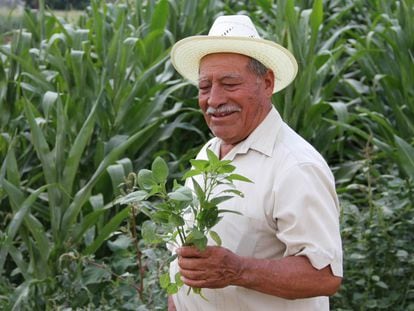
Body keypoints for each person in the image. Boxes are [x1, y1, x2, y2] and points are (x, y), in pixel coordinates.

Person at [167, 15, 343, 311]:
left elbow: (324, 275)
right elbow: (185, 263)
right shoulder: (209, 153)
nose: (214, 99)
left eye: (230, 83)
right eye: (205, 86)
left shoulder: (296, 166)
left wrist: (237, 270)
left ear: (267, 83)